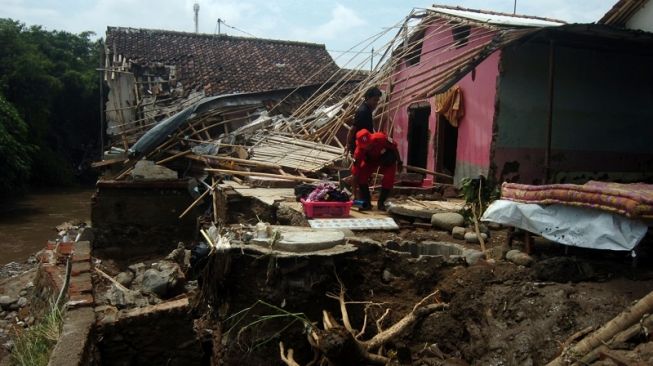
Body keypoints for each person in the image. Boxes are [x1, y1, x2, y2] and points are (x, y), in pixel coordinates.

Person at [352, 128, 402, 211]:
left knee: (388, 179)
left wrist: (399, 162)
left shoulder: (381, 138)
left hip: (386, 159)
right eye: (366, 146)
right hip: (370, 161)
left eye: (369, 144)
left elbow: (394, 147)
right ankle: (367, 202)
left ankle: (381, 202)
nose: (368, 147)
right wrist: (354, 194)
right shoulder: (358, 152)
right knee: (361, 177)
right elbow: (355, 173)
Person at [347, 86, 382, 154]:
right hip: (360, 146)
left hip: (365, 145)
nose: (376, 103)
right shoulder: (363, 112)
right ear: (368, 98)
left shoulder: (368, 109)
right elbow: (352, 130)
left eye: (377, 100)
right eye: (375, 100)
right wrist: (348, 144)